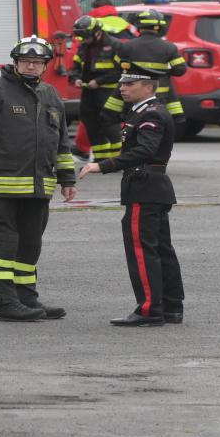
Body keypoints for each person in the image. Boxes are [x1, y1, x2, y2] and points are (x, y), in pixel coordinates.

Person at [0, 36, 78, 322]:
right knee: (2, 244)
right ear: (15, 62)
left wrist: (67, 179)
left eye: (37, 62)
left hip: (38, 187)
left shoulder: (49, 95)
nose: (31, 66)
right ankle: (4, 301)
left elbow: (60, 142)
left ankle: (26, 298)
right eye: (25, 61)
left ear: (45, 65)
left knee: (31, 243)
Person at [79, 61, 184, 327]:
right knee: (160, 249)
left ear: (148, 86)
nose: (122, 88)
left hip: (144, 185)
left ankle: (149, 310)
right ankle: (171, 307)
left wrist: (101, 165)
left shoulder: (151, 114)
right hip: (150, 186)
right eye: (122, 83)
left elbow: (144, 151)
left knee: (142, 251)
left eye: (129, 83)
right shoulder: (141, 111)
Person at [103, 8, 187, 129]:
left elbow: (116, 67)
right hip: (158, 95)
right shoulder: (169, 47)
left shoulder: (126, 46)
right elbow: (180, 69)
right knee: (155, 128)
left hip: (132, 96)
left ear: (138, 26)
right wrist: (164, 73)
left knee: (132, 128)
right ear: (158, 27)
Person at [68, 15, 124, 161]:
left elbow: (122, 71)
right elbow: (75, 68)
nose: (84, 39)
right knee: (90, 123)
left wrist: (99, 81)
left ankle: (120, 159)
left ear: (97, 31)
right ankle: (102, 160)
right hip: (88, 92)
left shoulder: (114, 45)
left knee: (110, 123)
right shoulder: (84, 46)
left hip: (109, 92)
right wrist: (76, 79)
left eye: (85, 36)